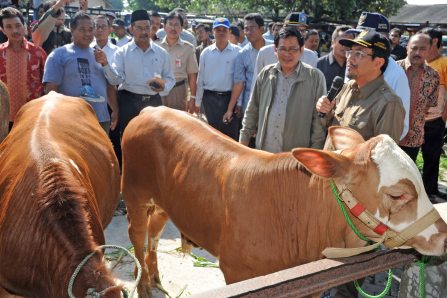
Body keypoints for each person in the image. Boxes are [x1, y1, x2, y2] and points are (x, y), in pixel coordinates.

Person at [239, 27, 326, 152]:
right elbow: (252, 110)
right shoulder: (266, 74)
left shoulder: (315, 78)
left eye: (293, 49)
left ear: (301, 50)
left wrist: (314, 154)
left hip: (294, 159)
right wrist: (243, 144)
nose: (287, 54)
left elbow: (319, 122)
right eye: (283, 49)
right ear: (275, 49)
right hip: (264, 154)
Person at [316, 29, 405, 143]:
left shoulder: (389, 103)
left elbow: (383, 155)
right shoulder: (348, 87)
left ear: (378, 63)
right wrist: (326, 111)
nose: (349, 58)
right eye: (350, 52)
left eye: (358, 54)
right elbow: (332, 125)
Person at [43, 11, 118, 133]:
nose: (88, 33)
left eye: (90, 29)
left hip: (100, 120)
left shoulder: (100, 55)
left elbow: (110, 86)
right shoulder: (58, 55)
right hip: (70, 121)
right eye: (82, 29)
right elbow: (51, 91)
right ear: (72, 30)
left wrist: (115, 109)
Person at [102, 9, 175, 134]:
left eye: (147, 28)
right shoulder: (122, 53)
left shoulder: (162, 53)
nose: (144, 32)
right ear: (131, 29)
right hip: (128, 102)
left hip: (153, 103)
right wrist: (105, 65)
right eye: (139, 28)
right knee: (128, 139)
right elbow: (115, 80)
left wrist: (163, 86)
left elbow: (170, 78)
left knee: (153, 141)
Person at [350, 12, 410, 140]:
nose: (358, 38)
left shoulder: (396, 75)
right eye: (357, 34)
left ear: (382, 37)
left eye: (364, 34)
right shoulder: (353, 62)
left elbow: (400, 128)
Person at [0, 6, 46, 129]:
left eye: (18, 25)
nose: (15, 30)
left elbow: (47, 84)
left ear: (24, 26)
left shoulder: (38, 53)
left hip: (32, 117)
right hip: (4, 119)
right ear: (2, 30)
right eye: (9, 27)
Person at [194, 17, 240, 140]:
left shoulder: (238, 52)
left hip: (230, 100)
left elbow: (240, 81)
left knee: (229, 138)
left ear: (229, 32)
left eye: (224, 30)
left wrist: (238, 103)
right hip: (210, 100)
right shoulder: (206, 53)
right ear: (213, 32)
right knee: (211, 137)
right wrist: (197, 102)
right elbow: (201, 78)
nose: (221, 32)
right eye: (218, 30)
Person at [397, 33, 439, 162]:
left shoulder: (433, 75)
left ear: (429, 51)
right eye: (414, 48)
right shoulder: (393, 70)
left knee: (405, 178)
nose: (417, 52)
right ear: (407, 48)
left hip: (413, 138)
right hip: (390, 135)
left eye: (422, 49)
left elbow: (430, 104)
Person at [418, 27, 447, 200]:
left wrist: (443, 118)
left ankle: (430, 191)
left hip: (435, 121)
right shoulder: (418, 62)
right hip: (415, 120)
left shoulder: (443, 64)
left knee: (432, 157)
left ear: (434, 41)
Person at [254, 12, 319, 80]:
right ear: (283, 29)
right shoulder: (265, 52)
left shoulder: (311, 56)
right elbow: (257, 84)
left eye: (302, 30)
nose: (298, 33)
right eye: (294, 29)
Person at [231, 13, 272, 121]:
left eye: (252, 28)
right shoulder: (242, 54)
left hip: (274, 101)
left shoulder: (275, 49)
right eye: (246, 29)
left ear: (262, 29)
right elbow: (240, 81)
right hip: (251, 102)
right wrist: (239, 104)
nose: (248, 32)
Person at [158, 11, 198, 111]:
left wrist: (193, 97)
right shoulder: (156, 47)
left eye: (176, 25)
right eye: (170, 24)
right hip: (158, 90)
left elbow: (192, 75)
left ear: (182, 28)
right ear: (164, 27)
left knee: (177, 123)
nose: (173, 28)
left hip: (178, 91)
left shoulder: (188, 48)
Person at [317, 25, 353, 91]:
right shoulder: (318, 64)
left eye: (348, 43)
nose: (345, 46)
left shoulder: (354, 66)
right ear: (333, 42)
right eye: (341, 42)